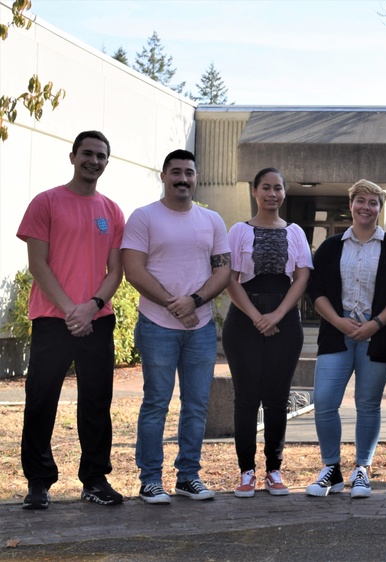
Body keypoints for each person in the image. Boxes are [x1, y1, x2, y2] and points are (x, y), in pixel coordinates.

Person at [17, 131, 126, 510]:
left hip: (97, 319)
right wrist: (70, 310)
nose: (93, 161)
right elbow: (38, 265)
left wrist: (91, 306)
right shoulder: (46, 202)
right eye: (87, 154)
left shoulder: (112, 211)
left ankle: (95, 480)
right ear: (73, 156)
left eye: (101, 156)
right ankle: (38, 483)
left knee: (96, 402)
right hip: (52, 319)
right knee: (41, 401)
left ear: (106, 163)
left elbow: (116, 271)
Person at [123, 149, 231, 505]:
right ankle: (150, 480)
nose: (183, 179)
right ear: (164, 176)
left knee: (197, 404)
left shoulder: (212, 219)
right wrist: (174, 303)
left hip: (199, 327)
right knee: (156, 403)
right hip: (157, 325)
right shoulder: (144, 217)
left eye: (189, 172)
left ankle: (188, 476)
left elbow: (223, 270)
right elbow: (134, 270)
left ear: (196, 177)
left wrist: (195, 302)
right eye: (176, 172)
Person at [304, 180, 386, 499]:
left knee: (368, 404)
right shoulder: (331, 246)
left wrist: (376, 324)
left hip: (377, 337)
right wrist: (338, 321)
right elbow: (317, 290)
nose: (366, 207)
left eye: (373, 203)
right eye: (360, 201)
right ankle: (331, 470)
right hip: (336, 335)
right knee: (324, 402)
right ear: (350, 204)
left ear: (380, 209)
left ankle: (362, 470)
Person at [223, 168, 313, 498]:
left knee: (277, 399)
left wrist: (276, 314)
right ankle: (246, 471)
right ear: (254, 192)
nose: (271, 194)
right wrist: (256, 316)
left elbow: (302, 278)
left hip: (285, 321)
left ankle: (273, 470)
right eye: (265, 187)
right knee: (246, 398)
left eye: (277, 188)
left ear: (284, 194)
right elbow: (229, 278)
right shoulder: (238, 230)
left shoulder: (296, 232)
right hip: (244, 320)